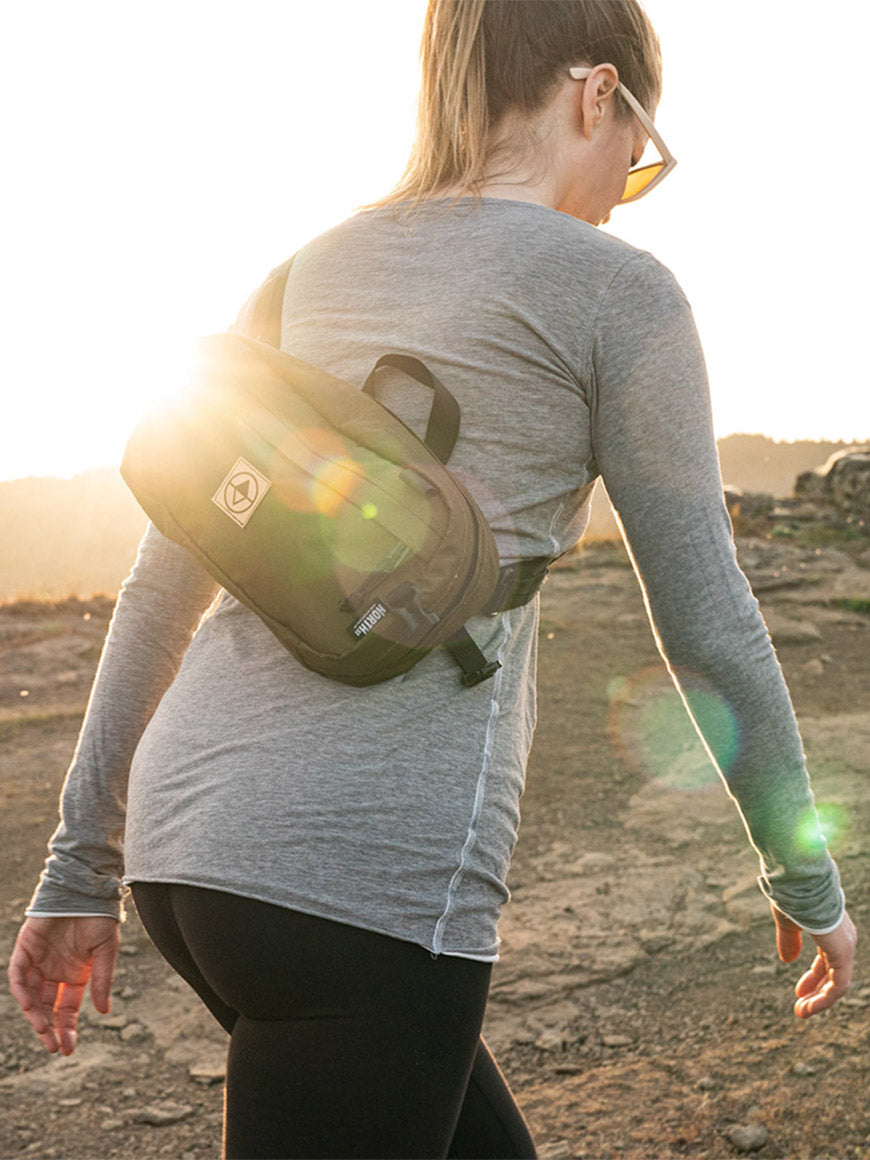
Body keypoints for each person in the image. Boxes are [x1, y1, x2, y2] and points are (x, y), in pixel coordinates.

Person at [8, 1, 857, 1157]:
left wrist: (83, 862)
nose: (621, 190)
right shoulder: (619, 292)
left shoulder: (301, 272)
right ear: (596, 96)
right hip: (364, 886)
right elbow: (705, 619)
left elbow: (166, 579)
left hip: (186, 849)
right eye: (639, 158)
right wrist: (804, 870)